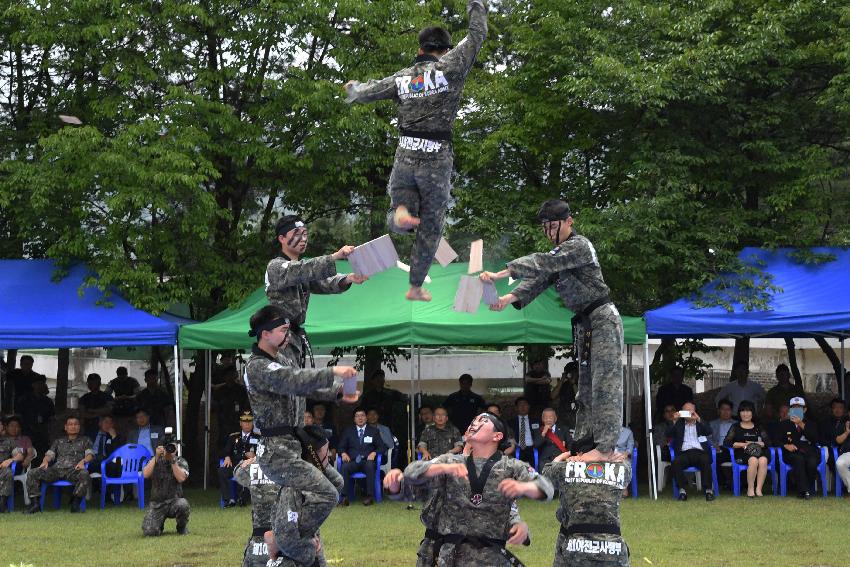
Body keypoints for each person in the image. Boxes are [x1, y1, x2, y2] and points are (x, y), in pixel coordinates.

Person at [344, 0, 488, 302]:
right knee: (432, 226)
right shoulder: (451, 66)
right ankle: (415, 286)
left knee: (403, 206)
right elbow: (476, 36)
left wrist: (354, 89)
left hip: (405, 155)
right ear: (445, 50)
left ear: (421, 48)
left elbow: (368, 92)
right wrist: (477, 5)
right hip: (436, 157)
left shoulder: (403, 78)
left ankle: (402, 213)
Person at [483, 199, 624, 463]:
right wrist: (506, 299)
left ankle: (605, 448)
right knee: (585, 387)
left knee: (605, 384)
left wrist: (502, 273)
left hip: (602, 318)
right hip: (585, 324)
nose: (549, 233)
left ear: (569, 222)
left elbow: (541, 262)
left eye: (553, 226)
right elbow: (536, 281)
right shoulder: (558, 260)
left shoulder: (578, 247)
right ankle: (585, 443)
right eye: (545, 228)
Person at [244, 304, 358, 565]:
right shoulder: (257, 366)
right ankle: (287, 541)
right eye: (283, 330)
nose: (288, 335)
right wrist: (332, 372)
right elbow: (293, 379)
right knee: (328, 494)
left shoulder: (281, 360)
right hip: (277, 453)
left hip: (296, 447)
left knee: (336, 483)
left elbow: (304, 387)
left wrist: (338, 392)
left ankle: (287, 533)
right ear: (265, 333)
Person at [402, 412, 553, 566]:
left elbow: (546, 488)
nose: (475, 422)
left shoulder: (512, 466)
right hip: (448, 557)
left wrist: (525, 487)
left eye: (483, 420)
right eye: (474, 420)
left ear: (497, 436)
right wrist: (440, 468)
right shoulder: (450, 460)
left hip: (490, 559)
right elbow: (410, 472)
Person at [264, 214, 366, 368]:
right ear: (282, 238)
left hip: (294, 337)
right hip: (278, 336)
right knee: (287, 383)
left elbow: (324, 282)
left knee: (296, 383)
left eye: (305, 234)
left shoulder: (301, 268)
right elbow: (303, 270)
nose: (303, 238)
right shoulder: (275, 267)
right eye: (297, 234)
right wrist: (335, 256)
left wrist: (349, 278)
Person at [237, 425, 342, 567]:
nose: (328, 454)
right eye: (325, 450)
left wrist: (255, 460)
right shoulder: (303, 477)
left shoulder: (259, 465)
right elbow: (337, 484)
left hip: (259, 547)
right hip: (293, 543)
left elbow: (238, 473)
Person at [543, 451, 632, 566]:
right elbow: (624, 465)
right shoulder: (622, 468)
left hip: (575, 550)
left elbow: (546, 474)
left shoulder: (567, 468)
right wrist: (608, 455)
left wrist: (566, 455)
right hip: (613, 549)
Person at [25, 415, 94, 513]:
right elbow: (49, 454)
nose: (73, 426)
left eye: (76, 424)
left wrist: (83, 461)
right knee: (33, 472)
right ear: (65, 427)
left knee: (85, 474)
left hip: (74, 470)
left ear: (79, 427)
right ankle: (35, 504)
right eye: (70, 424)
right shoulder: (59, 441)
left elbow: (90, 455)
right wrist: (45, 461)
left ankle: (75, 504)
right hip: (56, 470)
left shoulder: (85, 440)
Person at [668, 402, 716, 501]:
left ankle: (708, 490)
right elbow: (668, 434)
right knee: (676, 462)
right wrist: (674, 421)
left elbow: (709, 431)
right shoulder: (679, 424)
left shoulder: (700, 423)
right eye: (685, 410)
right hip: (684, 453)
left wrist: (698, 419)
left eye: (690, 410)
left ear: (695, 411)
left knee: (706, 460)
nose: (688, 412)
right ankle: (682, 491)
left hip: (699, 451)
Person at [338, 408, 385, 506]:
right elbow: (341, 446)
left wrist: (374, 453)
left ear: (366, 418)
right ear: (354, 419)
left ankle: (369, 496)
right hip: (353, 461)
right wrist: (343, 453)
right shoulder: (348, 431)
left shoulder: (374, 431)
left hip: (367, 461)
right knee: (344, 467)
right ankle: (344, 497)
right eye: (357, 416)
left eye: (362, 415)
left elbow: (382, 447)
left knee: (370, 466)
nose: (360, 418)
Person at [723, 401, 771, 497]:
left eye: (748, 411)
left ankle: (758, 489)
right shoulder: (735, 427)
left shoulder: (758, 426)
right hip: (742, 453)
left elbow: (768, 442)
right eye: (743, 411)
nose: (745, 414)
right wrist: (742, 444)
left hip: (757, 451)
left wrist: (754, 443)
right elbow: (726, 442)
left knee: (763, 460)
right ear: (739, 413)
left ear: (752, 413)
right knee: (753, 460)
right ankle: (750, 489)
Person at [778, 396, 821, 499]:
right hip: (792, 452)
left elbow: (815, 438)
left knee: (812, 463)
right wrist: (785, 445)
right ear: (790, 410)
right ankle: (804, 491)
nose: (796, 410)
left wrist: (801, 424)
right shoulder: (784, 424)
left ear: (804, 409)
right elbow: (775, 440)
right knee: (798, 459)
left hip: (809, 452)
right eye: (793, 408)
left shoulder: (811, 423)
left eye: (799, 408)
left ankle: (806, 489)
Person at [141, 444, 190, 536]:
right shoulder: (154, 460)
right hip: (157, 503)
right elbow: (145, 474)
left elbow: (181, 478)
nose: (169, 450)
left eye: (172, 447)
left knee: (183, 504)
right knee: (149, 532)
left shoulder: (181, 461)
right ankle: (158, 525)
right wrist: (156, 457)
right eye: (167, 447)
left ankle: (181, 527)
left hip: (174, 502)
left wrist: (172, 460)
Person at [219, 411, 261, 508]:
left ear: (252, 423)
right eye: (244, 422)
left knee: (249, 473)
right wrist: (227, 457)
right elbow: (225, 450)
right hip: (234, 466)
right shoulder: (234, 437)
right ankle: (228, 500)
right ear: (240, 423)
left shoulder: (258, 437)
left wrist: (254, 456)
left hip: (250, 466)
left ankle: (243, 499)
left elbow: (263, 454)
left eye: (249, 422)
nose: (247, 424)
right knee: (222, 471)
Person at [212, 362, 251, 448]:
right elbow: (215, 407)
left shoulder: (241, 390)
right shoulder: (220, 391)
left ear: (235, 375)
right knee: (224, 446)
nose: (229, 377)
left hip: (238, 424)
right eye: (227, 375)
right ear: (224, 377)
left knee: (238, 445)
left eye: (232, 374)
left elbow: (246, 407)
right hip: (224, 425)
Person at [17, 379, 54, 458]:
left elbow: (51, 418)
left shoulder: (48, 401)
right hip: (27, 431)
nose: (40, 386)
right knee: (26, 455)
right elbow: (19, 416)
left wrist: (48, 432)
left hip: (42, 433)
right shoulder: (25, 399)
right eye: (38, 384)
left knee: (42, 455)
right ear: (33, 385)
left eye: (42, 384)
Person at [710, 399, 736, 488]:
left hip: (734, 449)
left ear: (732, 411)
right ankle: (723, 482)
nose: (725, 412)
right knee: (712, 459)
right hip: (718, 448)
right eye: (723, 409)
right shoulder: (712, 424)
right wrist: (714, 445)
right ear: (718, 411)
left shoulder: (737, 424)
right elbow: (706, 437)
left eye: (728, 409)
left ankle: (735, 483)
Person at [79, 373, 113, 439]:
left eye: (94, 382)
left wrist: (92, 411)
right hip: (88, 429)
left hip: (105, 429)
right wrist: (99, 413)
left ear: (99, 383)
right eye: (90, 382)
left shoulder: (107, 397)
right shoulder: (84, 398)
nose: (92, 384)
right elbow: (82, 414)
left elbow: (109, 410)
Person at [0, 432, 24, 512]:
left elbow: (20, 456)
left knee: (8, 473)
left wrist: (11, 460)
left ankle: (2, 504)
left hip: (2, 468)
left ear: (2, 427)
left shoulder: (9, 441)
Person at [512, 397, 539, 465]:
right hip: (517, 448)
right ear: (516, 408)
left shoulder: (536, 421)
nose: (523, 407)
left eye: (525, 404)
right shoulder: (510, 423)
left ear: (529, 407)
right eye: (520, 405)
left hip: (533, 449)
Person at [551, 361, 578, 427]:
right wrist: (562, 379)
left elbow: (579, 397)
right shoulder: (563, 385)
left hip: (577, 417)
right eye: (570, 372)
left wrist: (573, 383)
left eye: (574, 372)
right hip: (563, 417)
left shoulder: (582, 383)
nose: (572, 374)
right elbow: (552, 396)